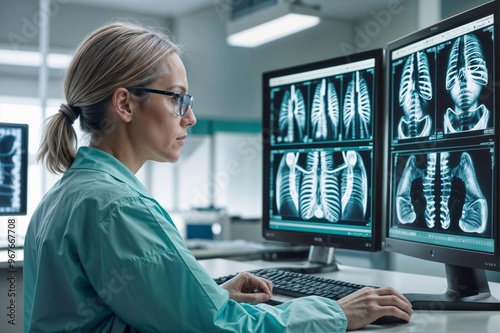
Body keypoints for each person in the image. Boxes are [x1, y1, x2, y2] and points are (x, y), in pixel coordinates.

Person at [23, 22, 413, 332]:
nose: (189, 117)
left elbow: (109, 312)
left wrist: (204, 294)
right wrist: (337, 312)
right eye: (178, 98)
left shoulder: (64, 196)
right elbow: (221, 329)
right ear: (125, 103)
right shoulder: (118, 207)